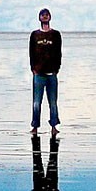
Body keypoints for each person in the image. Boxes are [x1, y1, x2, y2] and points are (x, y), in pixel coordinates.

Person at [28, 8, 61, 137]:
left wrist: (57, 68)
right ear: (39, 18)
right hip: (38, 74)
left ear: (50, 17)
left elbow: (59, 52)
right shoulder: (34, 35)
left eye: (47, 15)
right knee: (36, 102)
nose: (45, 17)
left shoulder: (56, 34)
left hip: (51, 74)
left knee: (53, 102)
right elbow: (31, 53)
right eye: (42, 15)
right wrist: (33, 69)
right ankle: (35, 127)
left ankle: (54, 126)